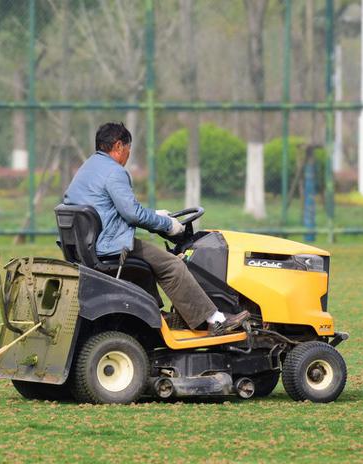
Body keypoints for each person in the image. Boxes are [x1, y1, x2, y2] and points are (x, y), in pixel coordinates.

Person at [62, 121, 249, 335]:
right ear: (119, 145)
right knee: (172, 265)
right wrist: (168, 225)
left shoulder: (87, 168)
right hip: (109, 247)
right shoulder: (115, 172)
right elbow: (131, 213)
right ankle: (215, 320)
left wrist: (155, 215)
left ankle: (158, 317)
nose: (128, 155)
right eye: (128, 149)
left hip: (89, 246)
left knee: (149, 262)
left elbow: (113, 208)